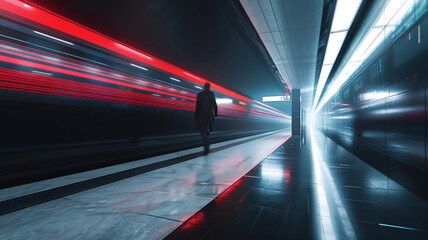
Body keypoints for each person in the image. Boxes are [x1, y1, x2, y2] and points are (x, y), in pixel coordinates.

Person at [195, 83, 218, 155]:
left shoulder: (200, 95)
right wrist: (216, 113)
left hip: (201, 116)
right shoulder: (211, 94)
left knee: (202, 132)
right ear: (209, 87)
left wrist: (196, 116)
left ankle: (206, 148)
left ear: (204, 87)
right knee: (207, 132)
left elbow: (197, 106)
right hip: (209, 116)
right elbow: (214, 104)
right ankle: (207, 146)